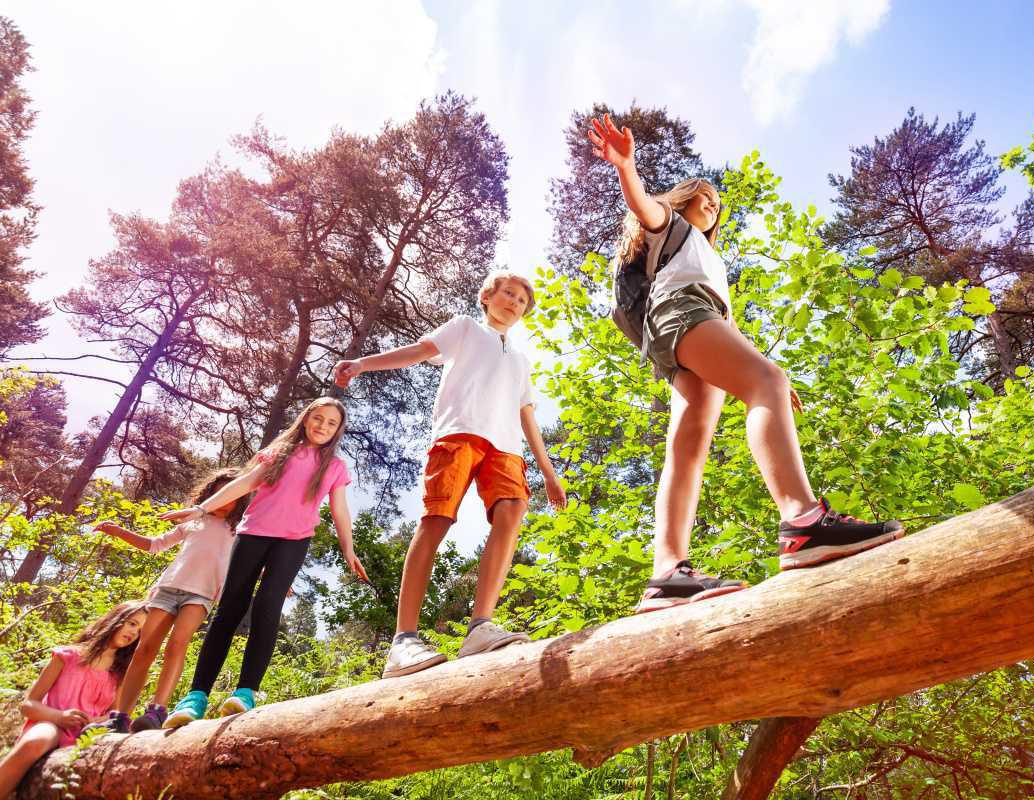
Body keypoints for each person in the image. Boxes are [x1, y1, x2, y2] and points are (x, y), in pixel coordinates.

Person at [588, 113, 904, 614]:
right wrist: (627, 167)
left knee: (688, 446)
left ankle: (666, 572)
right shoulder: (670, 229)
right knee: (763, 385)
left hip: (684, 328)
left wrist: (765, 375)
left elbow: (727, 327)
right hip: (681, 313)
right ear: (681, 201)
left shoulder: (707, 257)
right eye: (703, 198)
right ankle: (802, 523)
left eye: (717, 204)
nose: (712, 206)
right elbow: (643, 206)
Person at [334, 270, 567, 678]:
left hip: (505, 447)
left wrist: (548, 473)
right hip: (459, 434)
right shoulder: (464, 329)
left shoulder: (520, 359)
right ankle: (403, 641)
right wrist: (362, 364)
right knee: (438, 519)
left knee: (512, 512)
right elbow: (419, 351)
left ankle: (480, 627)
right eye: (508, 294)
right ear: (488, 296)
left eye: (522, 301)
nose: (514, 303)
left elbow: (527, 416)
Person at [159, 398, 368, 727]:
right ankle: (196, 696)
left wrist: (348, 549)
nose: (323, 426)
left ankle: (245, 692)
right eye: (318, 418)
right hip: (254, 534)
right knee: (230, 609)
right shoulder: (280, 453)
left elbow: (340, 511)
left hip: (294, 542)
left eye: (331, 423)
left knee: (269, 606)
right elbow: (243, 483)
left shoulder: (336, 467)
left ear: (337, 430)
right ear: (305, 419)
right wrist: (201, 509)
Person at [89, 468, 248, 732]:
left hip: (201, 594)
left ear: (238, 499)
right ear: (208, 494)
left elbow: (248, 561)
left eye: (228, 494)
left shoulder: (238, 530)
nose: (221, 498)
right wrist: (119, 532)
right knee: (144, 649)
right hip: (168, 588)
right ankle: (119, 716)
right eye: (216, 491)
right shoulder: (193, 522)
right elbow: (155, 544)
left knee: (177, 645)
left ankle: (157, 711)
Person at [0, 602, 146, 798]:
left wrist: (96, 721)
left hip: (92, 735)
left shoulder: (120, 673)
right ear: (115, 619)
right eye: (132, 623)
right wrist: (59, 717)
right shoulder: (67, 656)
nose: (134, 633)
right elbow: (28, 705)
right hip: (52, 724)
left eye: (140, 631)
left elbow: (116, 715)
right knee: (36, 741)